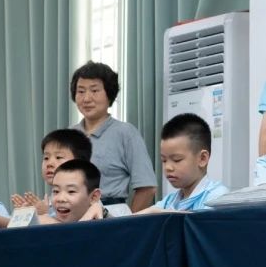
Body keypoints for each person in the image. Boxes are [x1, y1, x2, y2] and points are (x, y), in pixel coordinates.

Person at [69, 61, 156, 211]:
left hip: (109, 213)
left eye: (94, 90)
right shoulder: (69, 135)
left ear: (109, 94)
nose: (87, 98)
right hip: (70, 213)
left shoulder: (126, 133)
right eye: (81, 91)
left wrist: (129, 221)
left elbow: (147, 187)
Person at [137, 113, 228, 213]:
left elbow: (203, 220)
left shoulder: (218, 198)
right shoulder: (169, 201)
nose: (168, 167)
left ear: (202, 159)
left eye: (177, 160)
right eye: (164, 160)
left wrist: (159, 213)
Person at [41, 159, 104, 223]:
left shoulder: (105, 223)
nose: (60, 199)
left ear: (94, 197)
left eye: (71, 191)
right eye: (56, 191)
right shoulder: (45, 222)